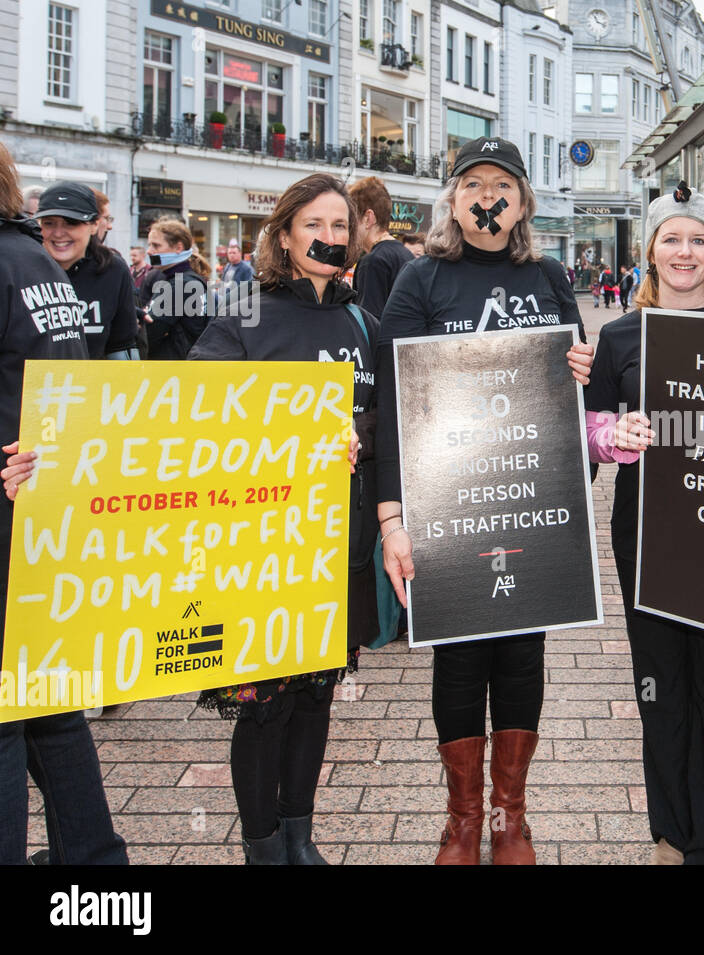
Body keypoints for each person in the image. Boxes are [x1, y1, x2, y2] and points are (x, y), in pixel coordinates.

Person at [374, 136, 593, 866]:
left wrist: (581, 376)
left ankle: (511, 815)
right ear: (453, 199)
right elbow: (393, 404)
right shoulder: (422, 280)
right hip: (448, 501)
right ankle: (461, 817)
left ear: (522, 202)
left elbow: (575, 392)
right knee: (460, 658)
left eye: (500, 184)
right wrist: (393, 517)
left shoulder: (551, 276)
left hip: (529, 494)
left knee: (523, 652)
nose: (485, 196)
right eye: (472, 184)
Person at [187, 172, 375, 865]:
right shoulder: (244, 314)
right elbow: (197, 424)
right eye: (314, 226)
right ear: (285, 235)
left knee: (316, 697)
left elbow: (388, 422)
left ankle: (300, 835)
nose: (329, 238)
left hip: (338, 547)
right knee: (263, 703)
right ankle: (262, 844)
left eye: (339, 227)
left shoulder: (362, 320)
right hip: (260, 549)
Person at [585, 181, 704, 864]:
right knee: (661, 679)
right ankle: (671, 833)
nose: (684, 250)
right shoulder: (620, 334)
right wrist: (613, 432)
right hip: (649, 525)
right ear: (651, 251)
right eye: (671, 237)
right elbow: (589, 430)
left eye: (697, 239)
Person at [0, 142, 128, 865]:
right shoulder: (37, 265)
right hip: (44, 512)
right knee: (47, 701)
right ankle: (93, 857)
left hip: (14, 505)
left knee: (11, 715)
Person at [34, 181, 140, 359]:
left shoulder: (113, 270)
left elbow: (121, 344)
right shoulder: (22, 270)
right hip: (29, 385)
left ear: (94, 225)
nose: (58, 233)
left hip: (90, 385)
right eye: (49, 223)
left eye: (71, 223)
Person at [138, 216, 209, 359]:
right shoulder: (181, 279)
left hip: (173, 370)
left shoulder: (180, 284)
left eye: (156, 245)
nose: (149, 251)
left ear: (178, 247)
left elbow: (149, 333)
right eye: (149, 245)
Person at [349, 176, 414, 318]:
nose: (348, 229)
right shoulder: (406, 254)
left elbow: (368, 322)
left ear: (368, 218)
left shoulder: (372, 261)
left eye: (351, 220)